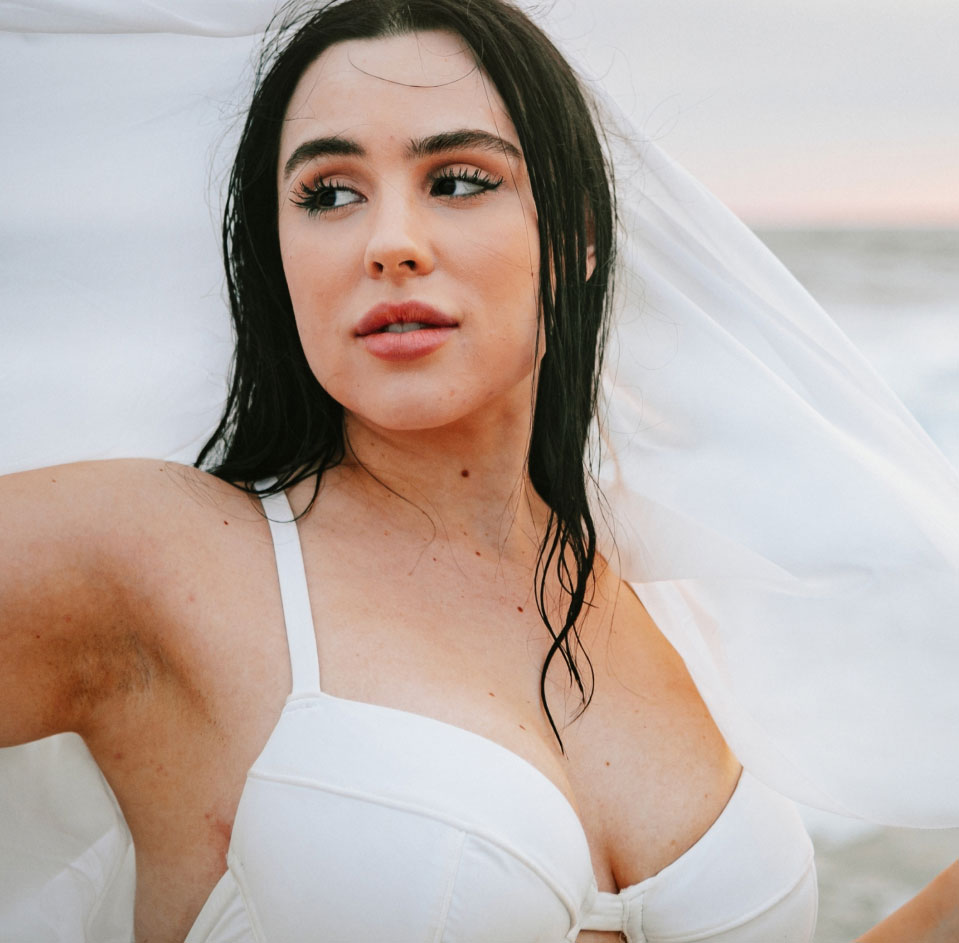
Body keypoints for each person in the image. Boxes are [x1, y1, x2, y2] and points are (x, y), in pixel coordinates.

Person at [1, 1, 958, 941]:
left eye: (457, 180)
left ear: (576, 235)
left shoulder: (655, 594)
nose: (390, 243)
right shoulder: (154, 557)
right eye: (329, 193)